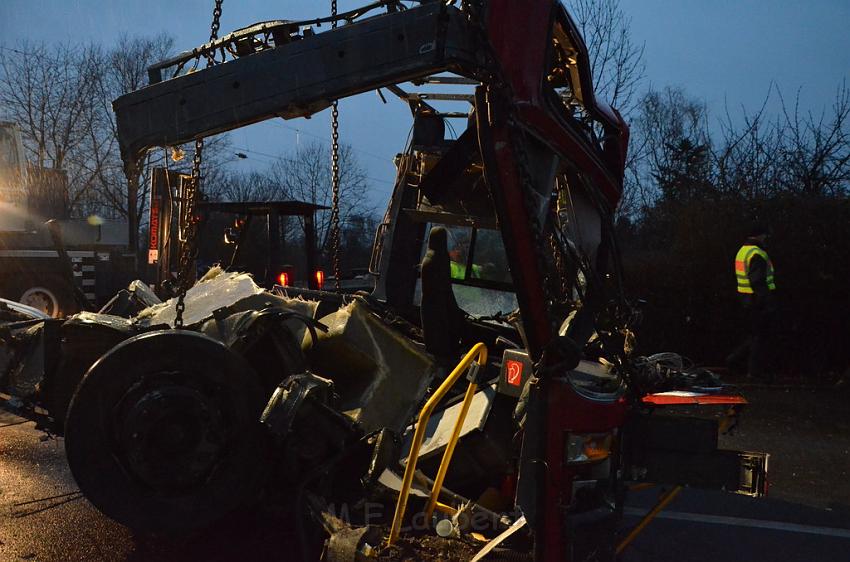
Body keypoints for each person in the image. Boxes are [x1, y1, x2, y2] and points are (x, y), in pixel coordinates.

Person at [727, 223, 776, 381]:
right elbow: (758, 281)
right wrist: (767, 301)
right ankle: (752, 371)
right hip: (757, 301)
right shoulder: (757, 253)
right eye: (766, 234)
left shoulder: (743, 251)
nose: (767, 237)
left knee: (754, 335)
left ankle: (734, 361)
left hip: (745, 299)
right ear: (760, 235)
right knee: (759, 337)